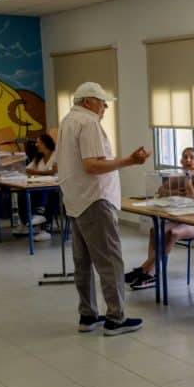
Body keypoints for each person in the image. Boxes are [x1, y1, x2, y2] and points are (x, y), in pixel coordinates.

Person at [57, 81, 150, 336]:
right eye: (101, 101)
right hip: (94, 200)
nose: (105, 106)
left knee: (83, 263)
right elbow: (92, 165)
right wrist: (129, 161)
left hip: (76, 201)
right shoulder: (88, 124)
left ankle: (87, 315)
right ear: (87, 101)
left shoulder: (67, 121)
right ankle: (116, 318)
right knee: (110, 261)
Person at [125, 147, 194, 289]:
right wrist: (179, 191)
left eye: (191, 157)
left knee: (172, 234)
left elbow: (192, 195)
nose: (188, 160)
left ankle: (144, 269)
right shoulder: (179, 175)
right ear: (180, 161)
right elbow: (161, 191)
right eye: (185, 157)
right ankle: (151, 274)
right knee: (155, 231)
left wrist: (188, 179)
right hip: (180, 218)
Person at [14, 133, 59, 240]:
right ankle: (27, 222)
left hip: (55, 186)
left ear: (45, 143)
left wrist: (36, 172)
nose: (36, 145)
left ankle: (45, 227)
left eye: (38, 142)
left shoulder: (56, 154)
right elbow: (28, 170)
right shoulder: (38, 157)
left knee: (49, 194)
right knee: (22, 194)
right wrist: (41, 172)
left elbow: (53, 171)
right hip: (39, 184)